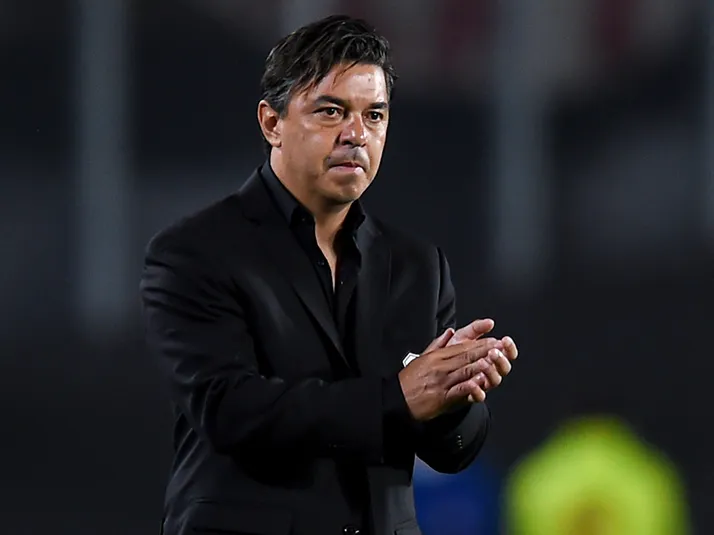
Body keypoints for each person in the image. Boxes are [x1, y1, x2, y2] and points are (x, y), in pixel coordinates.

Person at [140, 14, 518, 535]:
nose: (356, 135)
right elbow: (231, 412)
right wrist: (400, 397)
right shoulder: (193, 253)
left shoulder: (417, 267)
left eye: (374, 115)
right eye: (331, 111)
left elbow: (450, 454)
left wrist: (453, 399)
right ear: (271, 123)